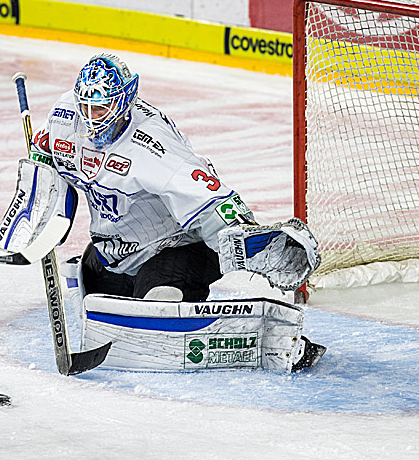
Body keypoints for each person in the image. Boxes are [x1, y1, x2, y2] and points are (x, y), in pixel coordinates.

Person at [24, 52, 324, 369]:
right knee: (92, 288)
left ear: (124, 99)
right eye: (84, 106)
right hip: (117, 250)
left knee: (159, 303)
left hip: (179, 247)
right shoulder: (66, 113)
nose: (91, 117)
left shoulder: (153, 144)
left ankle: (247, 340)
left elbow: (208, 199)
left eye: (99, 108)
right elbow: (44, 152)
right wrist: (44, 203)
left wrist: (252, 243)